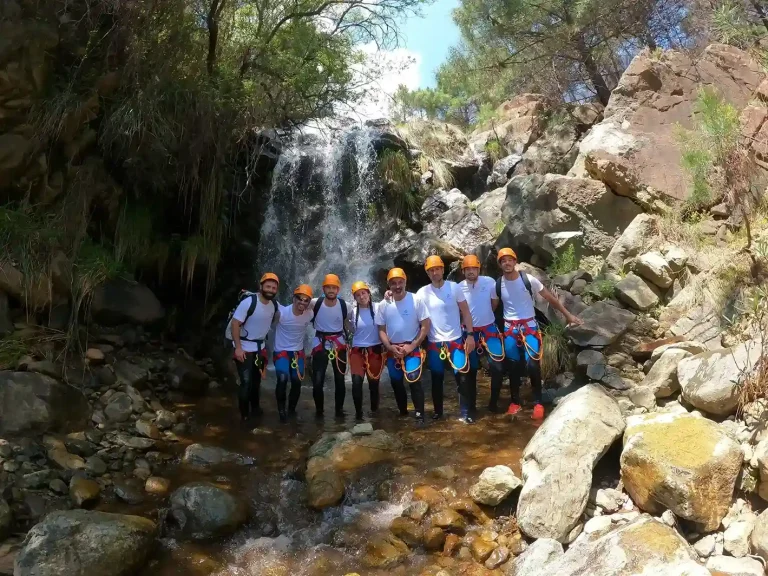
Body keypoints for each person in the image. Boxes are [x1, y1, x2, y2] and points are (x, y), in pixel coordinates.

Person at [496, 247, 583, 419]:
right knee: (512, 366)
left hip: (529, 327)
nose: (507, 263)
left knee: (532, 365)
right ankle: (515, 402)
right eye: (503, 261)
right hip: (510, 329)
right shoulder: (497, 284)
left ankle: (537, 403)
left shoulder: (528, 280)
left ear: (515, 261)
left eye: (509, 259)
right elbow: (492, 308)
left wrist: (568, 315)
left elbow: (551, 298)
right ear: (500, 264)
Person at [417, 255, 476, 423]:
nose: (435, 273)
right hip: (435, 343)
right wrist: (389, 294)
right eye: (431, 270)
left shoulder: (454, 287)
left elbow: (465, 312)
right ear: (428, 273)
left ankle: (465, 413)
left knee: (462, 376)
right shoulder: (422, 293)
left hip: (456, 340)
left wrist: (470, 335)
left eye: (437, 269)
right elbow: (413, 310)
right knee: (437, 378)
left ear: (443, 270)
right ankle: (438, 413)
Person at [376, 267, 430, 424]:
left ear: (405, 282)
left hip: (411, 347)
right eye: (394, 283)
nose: (397, 286)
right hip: (393, 349)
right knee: (395, 381)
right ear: (389, 286)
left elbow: (425, 325)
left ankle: (420, 414)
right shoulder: (383, 305)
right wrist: (389, 347)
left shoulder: (416, 300)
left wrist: (412, 346)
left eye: (400, 282)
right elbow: (381, 329)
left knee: (414, 379)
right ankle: (403, 412)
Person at [458, 255, 506, 413]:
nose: (471, 271)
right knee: (470, 369)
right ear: (463, 271)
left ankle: (493, 403)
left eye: (474, 268)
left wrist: (485, 316)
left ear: (479, 269)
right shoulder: (459, 287)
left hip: (489, 328)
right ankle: (471, 406)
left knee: (498, 367)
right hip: (469, 332)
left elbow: (495, 302)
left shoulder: (489, 282)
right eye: (468, 269)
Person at [230, 273, 280, 421]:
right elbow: (235, 323)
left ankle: (256, 410)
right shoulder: (249, 302)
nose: (270, 290)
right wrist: (238, 348)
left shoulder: (274, 305)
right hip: (244, 349)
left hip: (260, 350)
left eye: (273, 287)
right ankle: (244, 416)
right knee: (245, 382)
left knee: (256, 381)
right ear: (261, 286)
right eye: (268, 286)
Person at [310, 274, 352, 418]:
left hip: (338, 343)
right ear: (323, 289)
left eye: (334, 288)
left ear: (338, 290)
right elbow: (298, 303)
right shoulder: (315, 303)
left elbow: (350, 322)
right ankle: (319, 412)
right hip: (320, 343)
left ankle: (339, 412)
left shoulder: (345, 305)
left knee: (340, 380)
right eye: (328, 287)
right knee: (317, 381)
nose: (331, 290)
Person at [273, 284, 315, 422]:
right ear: (293, 298)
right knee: (283, 379)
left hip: (298, 352)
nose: (302, 302)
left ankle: (291, 409)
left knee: (296, 382)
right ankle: (281, 411)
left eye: (306, 300)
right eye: (299, 298)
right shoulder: (282, 313)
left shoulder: (310, 313)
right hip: (281, 351)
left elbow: (326, 301)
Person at [348, 281, 384, 421]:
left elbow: (390, 301)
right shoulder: (352, 311)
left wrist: (388, 293)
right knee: (356, 383)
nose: (361, 296)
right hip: (357, 351)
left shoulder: (378, 307)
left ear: (369, 293)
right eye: (358, 295)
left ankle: (374, 413)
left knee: (373, 384)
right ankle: (359, 415)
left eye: (363, 293)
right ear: (355, 298)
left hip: (374, 350)